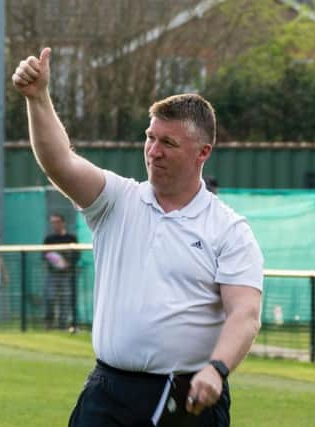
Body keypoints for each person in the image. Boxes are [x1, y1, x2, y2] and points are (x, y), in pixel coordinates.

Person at [13, 48, 264, 426]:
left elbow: (245, 314)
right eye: (150, 137)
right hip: (108, 389)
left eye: (169, 143)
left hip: (186, 397)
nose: (154, 151)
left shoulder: (228, 229)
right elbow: (60, 161)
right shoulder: (117, 200)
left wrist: (217, 368)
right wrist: (38, 97)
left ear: (203, 153)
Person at [43, 213, 79, 330]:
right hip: (53, 274)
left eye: (57, 222)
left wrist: (67, 264)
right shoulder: (49, 239)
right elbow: (45, 255)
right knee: (50, 297)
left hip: (66, 275)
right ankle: (49, 323)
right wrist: (57, 261)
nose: (55, 225)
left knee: (65, 299)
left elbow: (76, 255)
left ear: (63, 223)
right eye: (52, 222)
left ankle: (63, 325)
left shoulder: (71, 238)